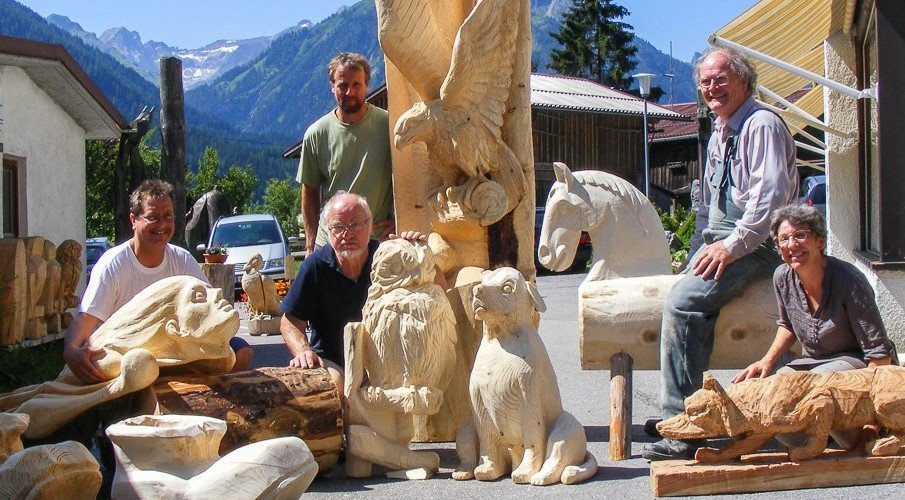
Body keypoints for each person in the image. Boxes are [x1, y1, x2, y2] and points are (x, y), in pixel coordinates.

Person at [642, 46, 799, 461]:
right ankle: (690, 408)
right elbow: (710, 204)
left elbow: (768, 203)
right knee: (684, 289)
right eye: (706, 82)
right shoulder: (723, 129)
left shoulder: (761, 124)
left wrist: (730, 249)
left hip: (762, 242)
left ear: (744, 80)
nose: (712, 88)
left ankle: (685, 424)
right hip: (727, 235)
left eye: (720, 79)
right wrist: (700, 249)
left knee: (684, 302)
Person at [64, 179, 252, 385]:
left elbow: (209, 311)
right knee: (137, 364)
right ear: (133, 220)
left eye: (168, 217)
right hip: (132, 352)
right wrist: (71, 350)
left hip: (178, 349)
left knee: (240, 351)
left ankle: (204, 400)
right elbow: (87, 318)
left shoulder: (182, 260)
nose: (162, 225)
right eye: (152, 217)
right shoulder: (113, 263)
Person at [280, 192, 424, 389]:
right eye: (338, 227)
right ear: (328, 231)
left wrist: (419, 251)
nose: (347, 234)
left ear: (370, 225)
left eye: (355, 225)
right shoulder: (316, 266)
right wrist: (303, 350)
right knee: (336, 387)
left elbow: (435, 287)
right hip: (333, 361)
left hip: (387, 360)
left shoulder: (388, 259)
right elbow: (289, 321)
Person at [734, 204, 895, 381]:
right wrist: (766, 361)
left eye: (800, 236)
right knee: (768, 385)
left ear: (820, 242)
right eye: (784, 239)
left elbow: (879, 355)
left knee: (804, 387)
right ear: (780, 251)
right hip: (812, 361)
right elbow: (788, 325)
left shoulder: (849, 281)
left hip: (856, 361)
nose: (792, 245)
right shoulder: (782, 277)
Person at [297, 52, 395, 254]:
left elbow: (407, 175)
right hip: (331, 244)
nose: (349, 91)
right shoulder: (316, 134)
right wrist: (310, 245)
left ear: (367, 85)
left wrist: (400, 219)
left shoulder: (389, 126)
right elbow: (310, 191)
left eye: (356, 85)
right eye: (342, 85)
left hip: (376, 243)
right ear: (332, 87)